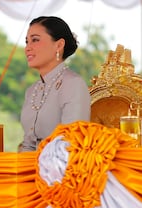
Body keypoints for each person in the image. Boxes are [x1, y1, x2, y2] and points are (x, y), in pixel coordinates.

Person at [19, 16, 91, 152]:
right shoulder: (31, 91)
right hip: (31, 166)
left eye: (35, 40)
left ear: (58, 45)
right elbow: (27, 145)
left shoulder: (73, 85)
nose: (28, 48)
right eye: (27, 42)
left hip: (61, 167)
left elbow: (72, 142)